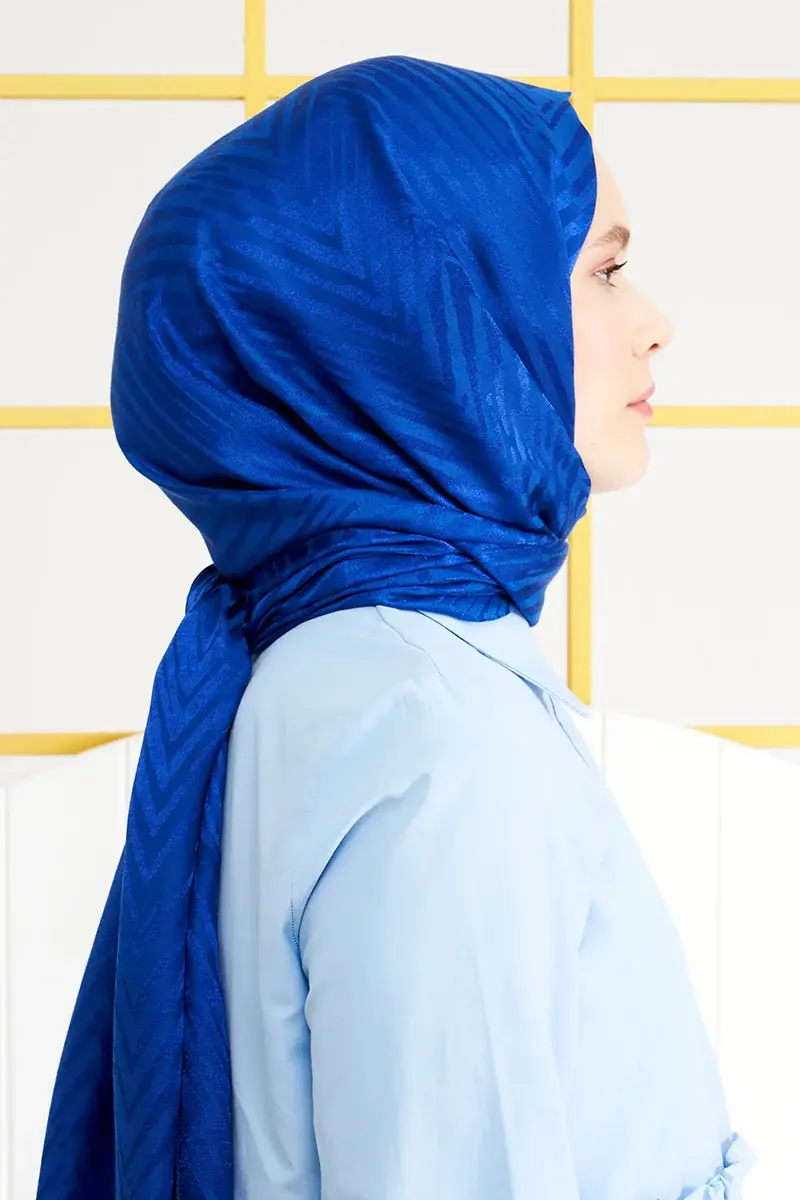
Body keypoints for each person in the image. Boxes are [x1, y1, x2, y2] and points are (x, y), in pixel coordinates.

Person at [35, 54, 756, 1200]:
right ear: (436, 316)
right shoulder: (437, 731)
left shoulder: (315, 668)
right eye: (605, 269)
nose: (653, 324)